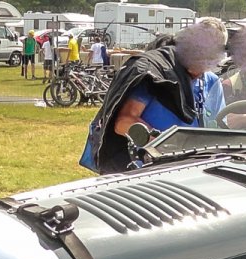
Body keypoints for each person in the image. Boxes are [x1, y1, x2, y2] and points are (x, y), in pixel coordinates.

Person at [83, 20, 227, 174]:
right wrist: (164, 144)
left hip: (194, 167)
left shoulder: (211, 82)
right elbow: (124, 122)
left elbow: (220, 125)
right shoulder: (154, 75)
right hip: (146, 168)